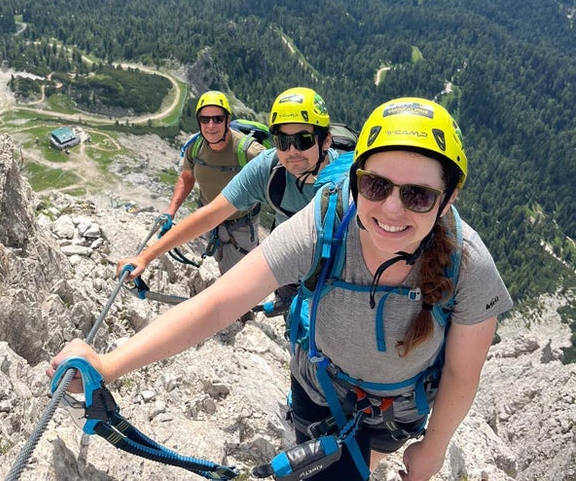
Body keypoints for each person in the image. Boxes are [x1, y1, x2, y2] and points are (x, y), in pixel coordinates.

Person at [50, 97, 513, 480]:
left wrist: (433, 450)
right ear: (357, 181)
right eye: (376, 185)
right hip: (319, 388)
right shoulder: (327, 221)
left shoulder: (468, 265)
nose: (392, 210)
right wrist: (107, 365)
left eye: (417, 195)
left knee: (351, 465)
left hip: (395, 411)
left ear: (447, 198)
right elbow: (220, 303)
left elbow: (461, 374)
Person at [116, 87, 348, 296]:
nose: (292, 150)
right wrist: (146, 256)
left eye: (303, 139)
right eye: (282, 141)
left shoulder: (350, 180)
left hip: (342, 271)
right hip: (290, 266)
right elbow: (210, 214)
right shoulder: (268, 169)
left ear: (326, 140)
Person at [161, 90, 266, 274]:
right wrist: (171, 211)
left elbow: (277, 178)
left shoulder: (248, 151)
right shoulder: (195, 147)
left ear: (227, 120)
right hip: (210, 223)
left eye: (217, 119)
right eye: (205, 119)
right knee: (221, 266)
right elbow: (187, 177)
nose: (211, 125)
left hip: (241, 224)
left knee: (239, 277)